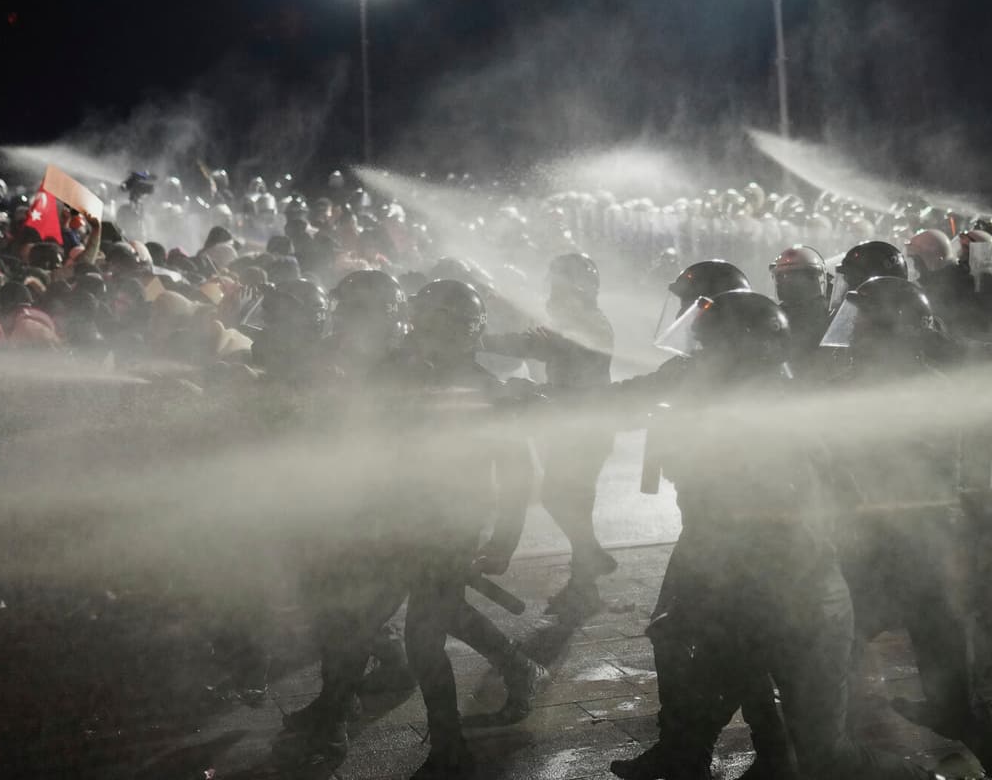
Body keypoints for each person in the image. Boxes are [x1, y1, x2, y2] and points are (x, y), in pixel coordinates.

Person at [610, 290, 947, 780]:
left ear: (748, 351)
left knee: (826, 757)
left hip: (803, 609)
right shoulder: (726, 407)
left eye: (711, 349)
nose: (700, 360)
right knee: (695, 716)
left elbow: (783, 525)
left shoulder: (781, 417)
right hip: (747, 602)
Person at [273, 279, 548, 776]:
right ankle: (335, 714)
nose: (426, 338)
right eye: (423, 327)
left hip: (449, 531)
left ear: (465, 333)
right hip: (389, 523)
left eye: (439, 328)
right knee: (356, 624)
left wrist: (505, 538)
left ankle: (449, 746)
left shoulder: (487, 390)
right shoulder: (395, 373)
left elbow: (517, 471)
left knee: (424, 639)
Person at [820, 276, 992, 780]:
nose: (856, 332)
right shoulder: (880, 384)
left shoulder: (916, 390)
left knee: (942, 692)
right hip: (899, 554)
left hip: (913, 557)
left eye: (867, 322)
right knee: (835, 666)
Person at [482, 253, 617, 617]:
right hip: (583, 424)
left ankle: (588, 560)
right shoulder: (580, 319)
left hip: (585, 426)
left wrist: (476, 337)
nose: (553, 293)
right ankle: (586, 573)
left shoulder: (583, 324)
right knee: (574, 499)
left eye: (559, 285)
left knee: (560, 496)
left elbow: (529, 344)